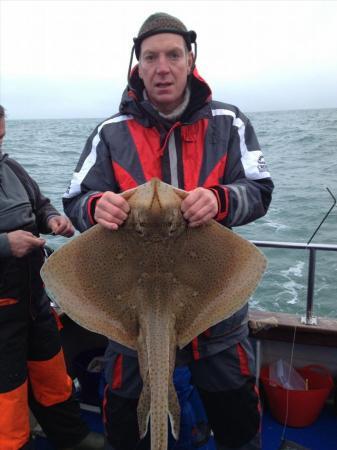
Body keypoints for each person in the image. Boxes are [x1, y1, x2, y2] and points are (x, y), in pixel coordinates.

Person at [63, 12, 274, 450]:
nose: (163, 67)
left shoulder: (228, 122)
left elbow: (259, 189)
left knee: (238, 424)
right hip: (130, 318)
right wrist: (97, 207)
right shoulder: (110, 133)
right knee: (125, 427)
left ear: (190, 58)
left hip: (214, 315)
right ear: (136, 65)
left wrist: (219, 199)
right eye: (151, 56)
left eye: (173, 55)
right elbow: (76, 200)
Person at [0, 105, 104, 450]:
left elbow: (39, 204)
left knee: (52, 374)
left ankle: (70, 436)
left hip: (33, 299)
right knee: (7, 392)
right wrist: (3, 244)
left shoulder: (11, 167)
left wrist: (53, 220)